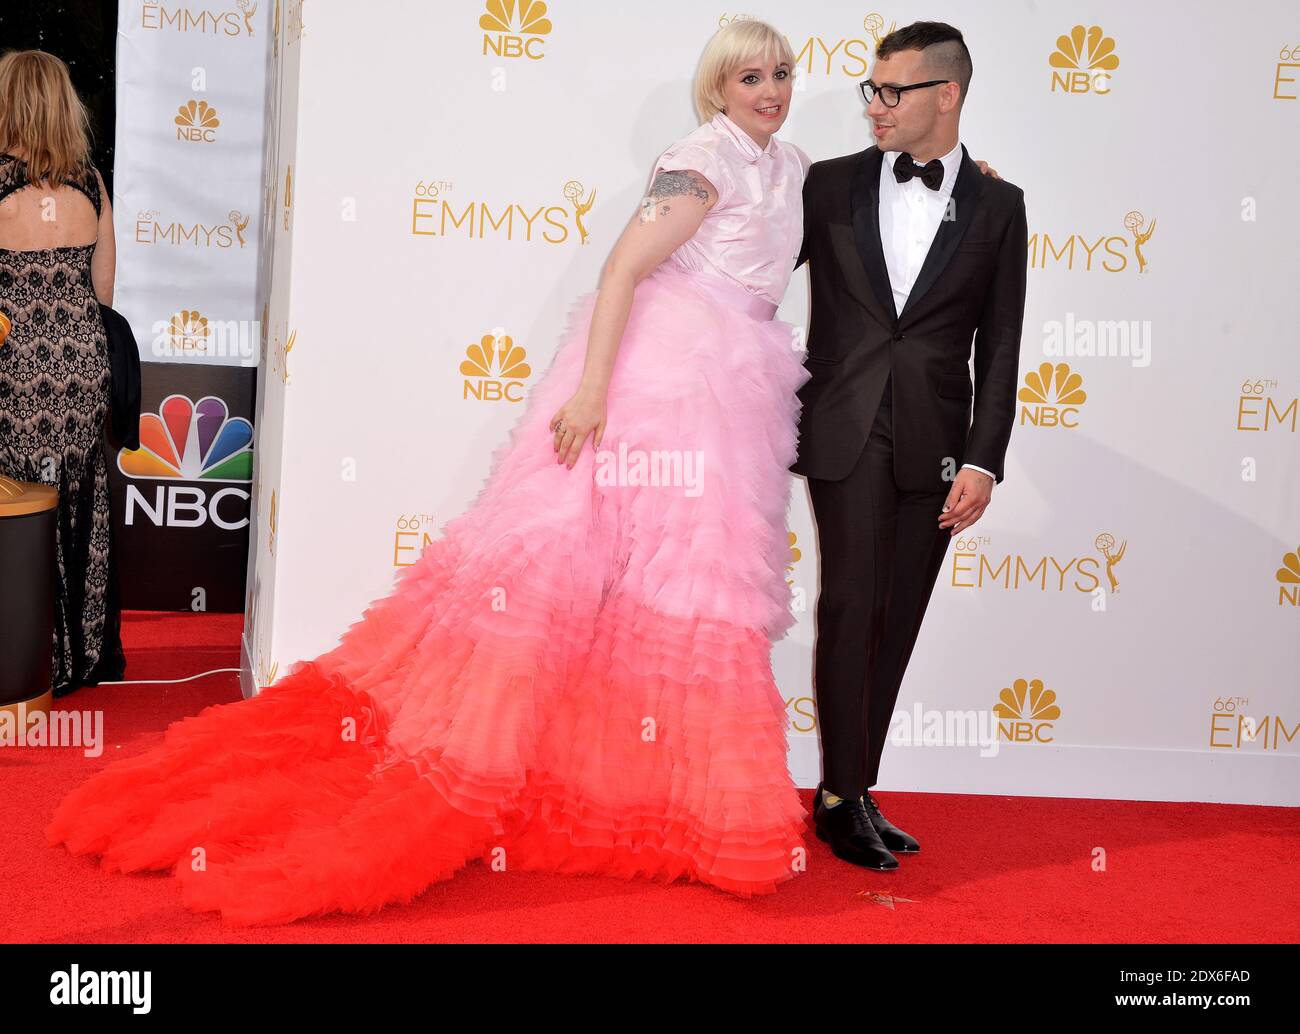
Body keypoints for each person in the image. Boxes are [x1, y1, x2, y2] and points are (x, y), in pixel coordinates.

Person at [46, 19, 816, 925]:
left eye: (782, 74)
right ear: (719, 87)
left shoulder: (793, 162)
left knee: (682, 598)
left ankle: (673, 804)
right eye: (750, 76)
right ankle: (522, 778)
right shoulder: (699, 159)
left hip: (734, 392)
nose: (769, 90)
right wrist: (592, 393)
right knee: (563, 579)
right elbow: (620, 272)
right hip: (661, 384)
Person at [792, 21, 1028, 870]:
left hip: (936, 445)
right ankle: (839, 796)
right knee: (852, 604)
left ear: (947, 95)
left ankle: (852, 788)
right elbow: (744, 266)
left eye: (894, 92)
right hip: (846, 428)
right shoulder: (825, 185)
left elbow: (1001, 343)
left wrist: (983, 456)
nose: (876, 107)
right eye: (872, 90)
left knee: (896, 617)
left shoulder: (1000, 205)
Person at [0, 49, 125, 698]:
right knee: (76, 503)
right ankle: (78, 661)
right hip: (81, 364)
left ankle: (21, 663)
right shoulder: (90, 184)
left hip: (14, 370)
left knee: (19, 507)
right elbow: (102, 292)